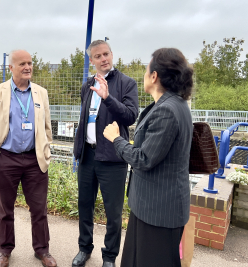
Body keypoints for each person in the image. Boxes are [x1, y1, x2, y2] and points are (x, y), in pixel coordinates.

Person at [103, 48, 193, 267]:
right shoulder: (170, 104)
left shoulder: (167, 110)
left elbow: (143, 158)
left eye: (146, 71)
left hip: (159, 211)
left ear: (154, 76)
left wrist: (116, 139)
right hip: (150, 206)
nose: (143, 75)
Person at [0, 50, 57, 267]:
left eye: (30, 63)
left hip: (35, 161)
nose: (28, 67)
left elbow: (47, 128)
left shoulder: (41, 93)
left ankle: (42, 249)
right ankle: (4, 250)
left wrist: (45, 150)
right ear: (11, 68)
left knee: (39, 208)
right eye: (22, 63)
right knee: (6, 209)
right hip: (6, 159)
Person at [72, 40, 139, 267]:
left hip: (113, 159)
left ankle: (109, 256)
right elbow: (85, 119)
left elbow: (130, 117)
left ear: (112, 54)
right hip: (88, 156)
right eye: (98, 56)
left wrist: (107, 98)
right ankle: (84, 248)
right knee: (84, 205)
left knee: (113, 214)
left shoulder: (127, 84)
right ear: (92, 60)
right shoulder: (87, 85)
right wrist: (78, 150)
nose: (104, 59)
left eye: (106, 54)